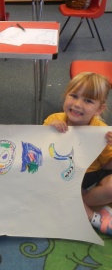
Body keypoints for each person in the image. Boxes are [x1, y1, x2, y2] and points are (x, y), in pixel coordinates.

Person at [43, 72, 112, 236]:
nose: (78, 104)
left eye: (88, 101)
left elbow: (107, 165)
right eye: (74, 96)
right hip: (64, 175)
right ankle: (93, 217)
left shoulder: (101, 131)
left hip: (92, 175)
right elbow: (41, 153)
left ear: (99, 109)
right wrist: (48, 132)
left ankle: (70, 205)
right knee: (52, 184)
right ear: (65, 95)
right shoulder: (53, 119)